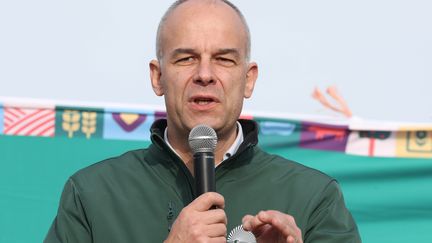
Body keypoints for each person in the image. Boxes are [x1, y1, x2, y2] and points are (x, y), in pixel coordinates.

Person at [45, 0, 361, 242]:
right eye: (186, 59)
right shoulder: (92, 194)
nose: (205, 75)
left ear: (248, 79)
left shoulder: (314, 197)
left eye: (223, 59)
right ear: (158, 77)